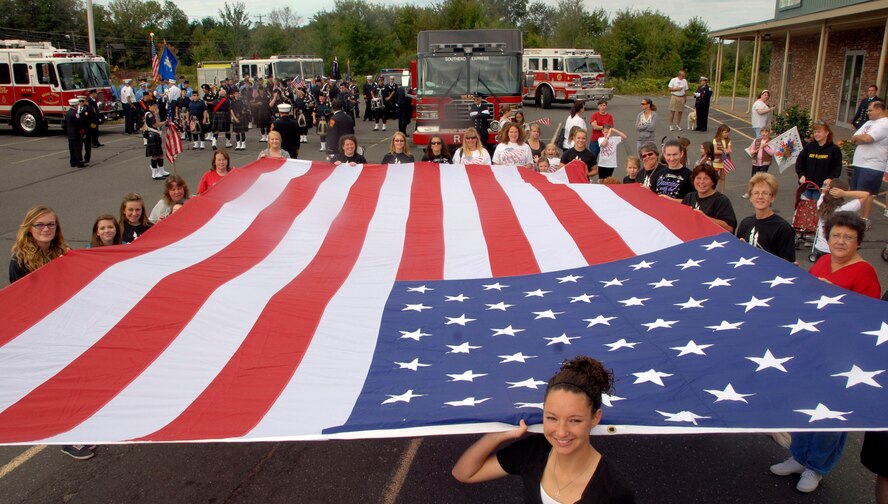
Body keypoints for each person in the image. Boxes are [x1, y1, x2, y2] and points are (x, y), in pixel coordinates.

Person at [770, 212, 881, 494]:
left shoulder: (865, 273)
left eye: (848, 237)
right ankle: (799, 456)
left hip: (842, 354)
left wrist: (838, 300)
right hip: (812, 346)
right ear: (827, 237)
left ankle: (817, 467)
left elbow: (869, 320)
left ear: (858, 242)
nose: (841, 241)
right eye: (836, 235)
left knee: (830, 414)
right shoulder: (821, 261)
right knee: (804, 404)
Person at [452, 355, 636, 503]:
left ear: (595, 418)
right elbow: (464, 473)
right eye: (552, 418)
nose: (561, 431)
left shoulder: (614, 490)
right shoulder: (533, 451)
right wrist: (497, 436)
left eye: (574, 420)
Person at [8, 207, 89, 460]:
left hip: (64, 326)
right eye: (40, 225)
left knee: (73, 380)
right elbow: (22, 300)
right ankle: (66, 438)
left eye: (51, 225)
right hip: (40, 330)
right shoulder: (20, 261)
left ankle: (78, 427)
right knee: (55, 386)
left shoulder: (62, 253)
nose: (46, 230)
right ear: (29, 229)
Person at [736, 172, 796, 262]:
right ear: (750, 197)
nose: (760, 197)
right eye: (756, 193)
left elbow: (787, 265)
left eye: (765, 193)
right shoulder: (745, 223)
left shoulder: (783, 228)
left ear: (772, 198)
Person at [849, 100, 888, 223]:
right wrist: (860, 138)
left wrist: (860, 138)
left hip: (872, 165)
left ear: (879, 109)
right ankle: (857, 218)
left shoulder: (884, 124)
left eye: (870, 110)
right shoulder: (869, 123)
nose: (868, 112)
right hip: (860, 163)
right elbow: (853, 138)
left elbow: (868, 138)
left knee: (866, 193)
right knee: (856, 192)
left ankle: (865, 220)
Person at [811, 179, 868, 261]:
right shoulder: (845, 209)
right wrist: (845, 193)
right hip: (834, 249)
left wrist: (827, 188)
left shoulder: (820, 203)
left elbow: (823, 193)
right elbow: (865, 195)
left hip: (819, 248)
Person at [681, 164, 737, 232]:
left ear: (713, 182)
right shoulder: (689, 197)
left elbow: (730, 228)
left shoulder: (721, 201)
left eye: (706, 178)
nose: (701, 182)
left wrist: (705, 218)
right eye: (698, 178)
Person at [796, 120, 842, 200]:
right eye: (815, 132)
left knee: (817, 208)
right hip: (807, 186)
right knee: (805, 208)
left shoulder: (834, 149)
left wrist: (830, 178)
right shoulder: (809, 147)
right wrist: (801, 175)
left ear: (827, 133)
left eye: (819, 132)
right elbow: (800, 162)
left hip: (822, 187)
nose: (816, 134)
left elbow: (837, 167)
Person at [143, 101, 169, 181]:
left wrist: (165, 121)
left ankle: (161, 170)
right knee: (155, 155)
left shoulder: (153, 114)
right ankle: (154, 173)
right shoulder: (149, 114)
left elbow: (157, 122)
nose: (155, 107)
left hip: (156, 134)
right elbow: (155, 125)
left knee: (160, 154)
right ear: (149, 106)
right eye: (154, 106)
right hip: (152, 135)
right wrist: (157, 116)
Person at [65, 98, 86, 168]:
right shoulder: (75, 114)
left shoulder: (68, 113)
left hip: (70, 134)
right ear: (75, 105)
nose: (77, 106)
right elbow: (78, 124)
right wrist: (82, 132)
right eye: (77, 105)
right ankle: (79, 162)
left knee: (72, 149)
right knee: (78, 149)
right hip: (76, 134)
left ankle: (73, 162)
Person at [711, 124, 732, 194]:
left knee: (723, 178)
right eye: (725, 132)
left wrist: (724, 151)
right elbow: (715, 151)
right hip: (717, 162)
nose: (727, 134)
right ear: (721, 132)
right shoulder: (715, 140)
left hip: (725, 161)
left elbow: (730, 150)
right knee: (715, 177)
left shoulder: (728, 140)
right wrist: (724, 151)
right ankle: (712, 190)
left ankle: (722, 192)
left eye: (728, 132)